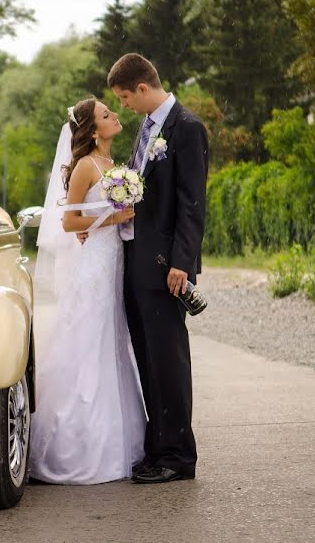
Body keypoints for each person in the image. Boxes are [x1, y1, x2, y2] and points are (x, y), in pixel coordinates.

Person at [29, 97, 146, 484]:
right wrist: (113, 216)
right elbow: (68, 222)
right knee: (88, 339)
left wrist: (116, 217)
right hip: (93, 264)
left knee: (113, 340)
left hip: (114, 261)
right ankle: (75, 444)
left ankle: (119, 439)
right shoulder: (84, 166)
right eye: (106, 115)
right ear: (94, 130)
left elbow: (93, 219)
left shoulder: (115, 166)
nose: (115, 116)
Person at [104, 53, 209, 484]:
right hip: (137, 264)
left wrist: (182, 264)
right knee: (148, 361)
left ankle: (179, 456)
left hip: (167, 267)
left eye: (125, 97)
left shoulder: (186, 128)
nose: (124, 105)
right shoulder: (147, 129)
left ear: (143, 89)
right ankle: (157, 448)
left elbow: (191, 203)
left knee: (169, 362)